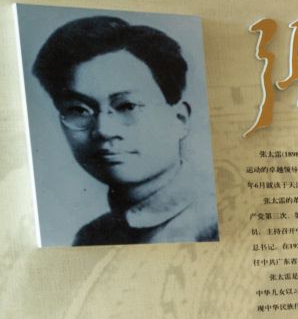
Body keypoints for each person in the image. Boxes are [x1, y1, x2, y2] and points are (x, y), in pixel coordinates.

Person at [30, 14, 218, 245]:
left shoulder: (217, 221)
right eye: (79, 110)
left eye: (127, 106)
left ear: (180, 119)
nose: (104, 130)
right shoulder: (91, 237)